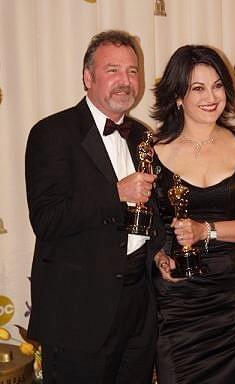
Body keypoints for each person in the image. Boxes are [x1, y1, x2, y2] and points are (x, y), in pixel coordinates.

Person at [25, 30, 164, 384]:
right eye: (113, 70)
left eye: (133, 71)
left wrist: (162, 253)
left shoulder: (142, 136)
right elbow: (47, 220)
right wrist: (115, 192)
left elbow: (152, 213)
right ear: (88, 77)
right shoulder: (51, 133)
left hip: (138, 308)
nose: (125, 81)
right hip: (78, 314)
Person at [151, 45, 235, 384]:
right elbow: (150, 227)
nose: (211, 97)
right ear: (178, 96)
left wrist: (206, 230)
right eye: (198, 88)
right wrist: (161, 258)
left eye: (218, 85)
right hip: (180, 298)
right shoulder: (152, 152)